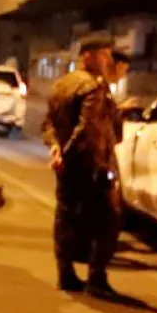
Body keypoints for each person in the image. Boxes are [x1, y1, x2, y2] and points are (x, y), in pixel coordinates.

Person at [40, 32, 122, 298]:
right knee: (107, 221)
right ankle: (96, 278)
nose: (108, 59)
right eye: (104, 54)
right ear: (89, 56)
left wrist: (56, 149)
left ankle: (65, 273)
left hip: (67, 167)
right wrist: (68, 153)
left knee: (65, 219)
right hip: (91, 166)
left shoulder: (62, 84)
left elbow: (49, 123)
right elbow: (87, 129)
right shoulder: (92, 87)